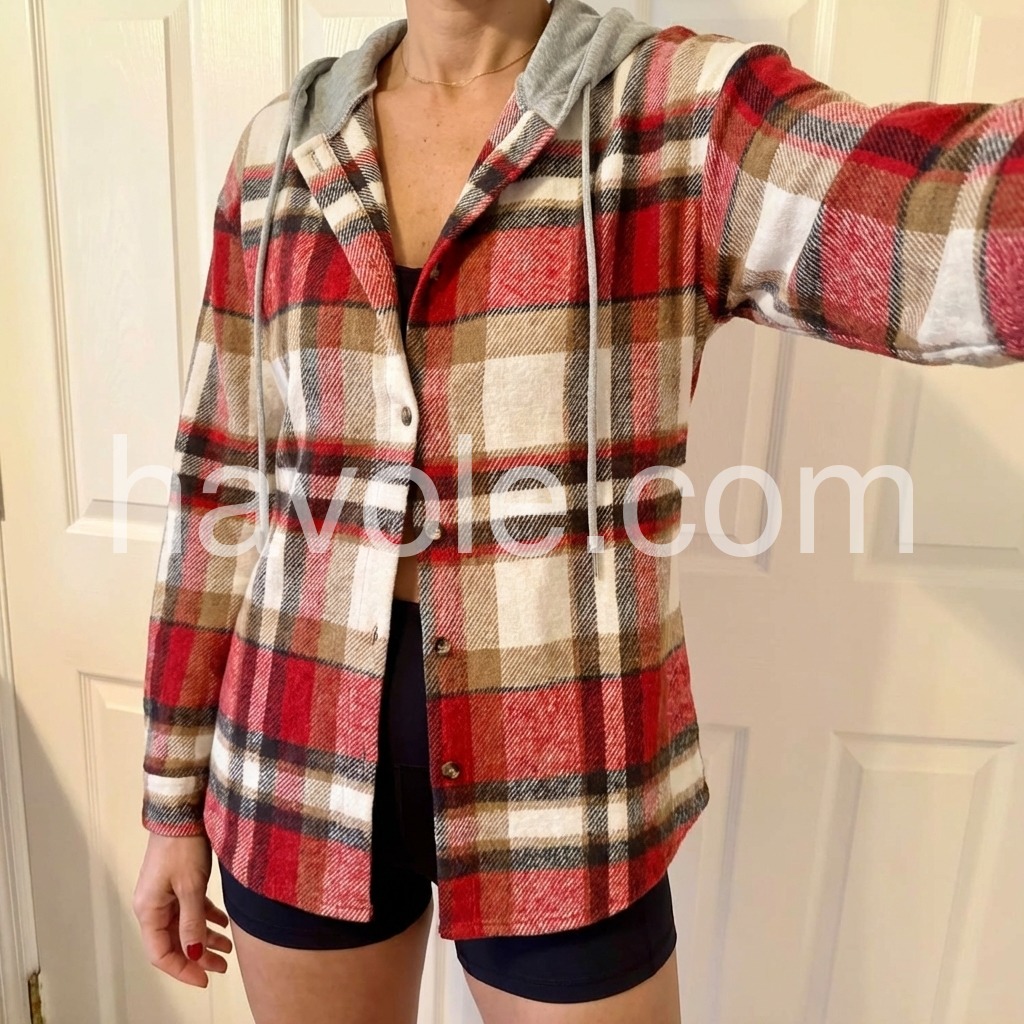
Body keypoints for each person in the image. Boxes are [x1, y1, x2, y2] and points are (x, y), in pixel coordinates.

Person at [132, 0, 1024, 1021]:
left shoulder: (677, 117)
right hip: (290, 759)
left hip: (564, 787)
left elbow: (953, 220)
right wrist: (171, 802)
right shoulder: (282, 147)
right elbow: (219, 485)